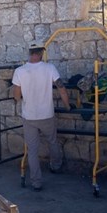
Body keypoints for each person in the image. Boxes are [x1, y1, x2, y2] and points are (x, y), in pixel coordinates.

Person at [13, 40, 71, 191]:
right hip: (47, 114)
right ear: (40, 53)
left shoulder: (20, 71)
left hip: (29, 116)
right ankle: (56, 165)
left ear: (30, 54)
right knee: (52, 141)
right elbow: (62, 88)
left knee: (32, 150)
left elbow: (17, 95)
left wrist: (23, 99)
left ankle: (36, 182)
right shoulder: (49, 68)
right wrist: (67, 105)